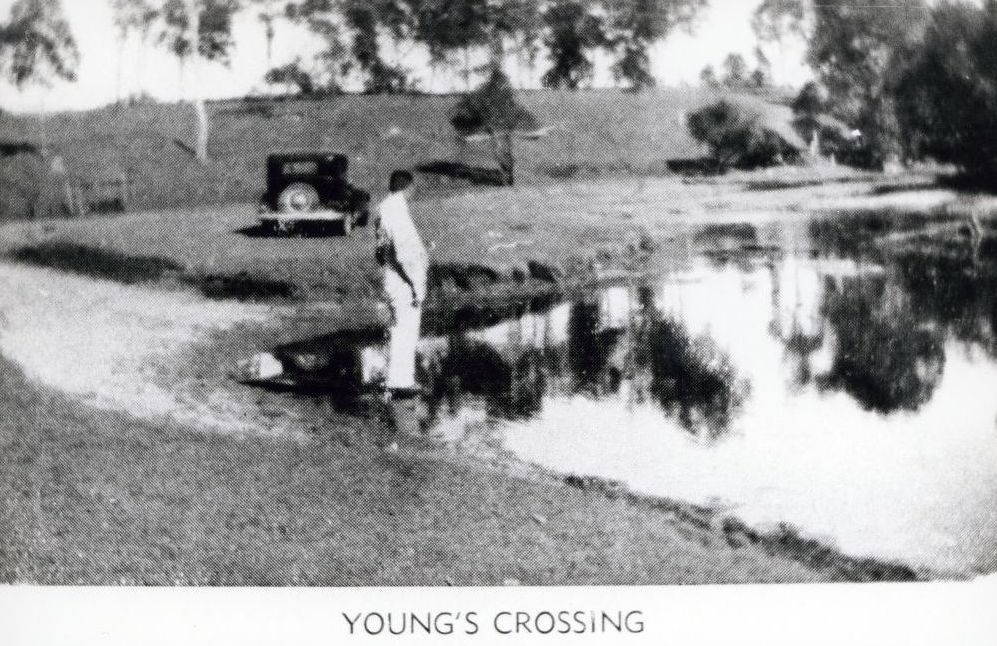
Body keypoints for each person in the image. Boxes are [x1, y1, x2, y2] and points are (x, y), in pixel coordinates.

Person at [376, 170, 428, 399]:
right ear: (407, 187)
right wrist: (416, 285)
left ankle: (394, 379)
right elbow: (404, 254)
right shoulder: (397, 212)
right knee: (406, 328)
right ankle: (400, 382)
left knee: (397, 327)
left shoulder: (384, 208)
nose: (414, 191)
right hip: (402, 279)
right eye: (412, 188)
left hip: (390, 274)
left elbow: (381, 249)